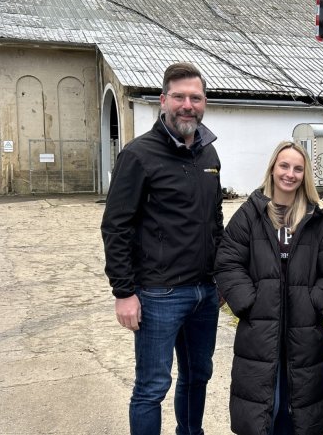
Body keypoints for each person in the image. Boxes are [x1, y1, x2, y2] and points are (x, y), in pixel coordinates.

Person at [101, 62, 224, 435]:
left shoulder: (209, 155)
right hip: (158, 294)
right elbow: (116, 226)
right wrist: (124, 293)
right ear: (163, 100)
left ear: (204, 103)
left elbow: (214, 220)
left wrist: (220, 278)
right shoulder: (139, 155)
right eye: (180, 97)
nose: (188, 105)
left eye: (196, 97)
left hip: (205, 293)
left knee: (198, 376)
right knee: (152, 387)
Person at [215, 141, 323, 435]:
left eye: (298, 168)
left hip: (303, 330)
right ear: (272, 168)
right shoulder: (250, 214)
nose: (290, 174)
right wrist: (249, 302)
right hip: (260, 331)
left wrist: (315, 303)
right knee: (263, 410)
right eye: (284, 166)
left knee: (297, 411)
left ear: (305, 175)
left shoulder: (316, 220)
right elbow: (228, 262)